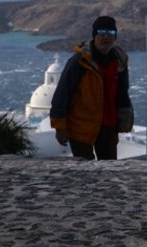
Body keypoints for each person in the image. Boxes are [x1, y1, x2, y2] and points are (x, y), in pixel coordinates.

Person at [51, 16, 133, 160]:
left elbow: (123, 92)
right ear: (94, 35)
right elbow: (62, 93)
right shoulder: (79, 62)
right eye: (101, 32)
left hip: (109, 126)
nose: (105, 37)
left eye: (110, 34)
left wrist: (126, 118)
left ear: (115, 38)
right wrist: (60, 127)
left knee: (108, 170)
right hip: (81, 127)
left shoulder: (120, 61)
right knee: (85, 172)